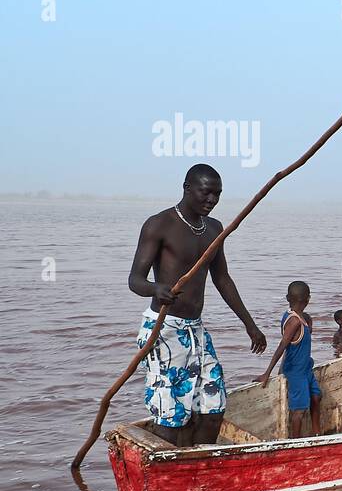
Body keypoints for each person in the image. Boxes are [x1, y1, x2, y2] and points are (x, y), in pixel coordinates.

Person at [129, 163, 267, 446]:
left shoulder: (214, 229)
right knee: (171, 417)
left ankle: (201, 465)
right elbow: (135, 280)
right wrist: (157, 289)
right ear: (187, 188)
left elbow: (222, 278)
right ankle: (172, 472)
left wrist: (250, 325)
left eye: (217, 195)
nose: (211, 201)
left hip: (196, 331)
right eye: (206, 193)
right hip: (164, 329)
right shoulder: (159, 225)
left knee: (213, 408)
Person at [256, 281, 321, 437]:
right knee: (298, 411)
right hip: (295, 372)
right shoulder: (294, 321)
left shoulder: (301, 318)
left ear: (287, 298)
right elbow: (282, 347)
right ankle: (295, 441)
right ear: (308, 299)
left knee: (316, 396)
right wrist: (267, 372)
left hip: (306, 368)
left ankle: (317, 433)